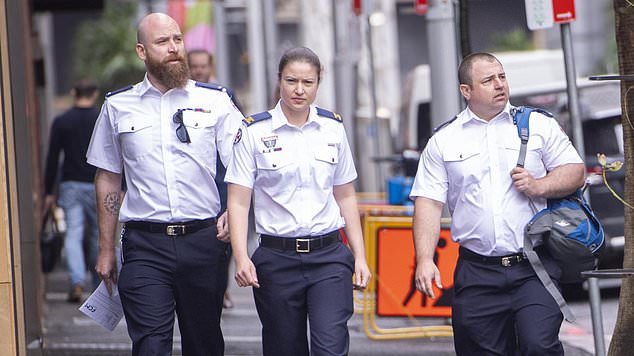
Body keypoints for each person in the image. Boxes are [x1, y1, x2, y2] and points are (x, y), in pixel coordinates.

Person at [87, 13, 242, 356]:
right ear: (142, 51)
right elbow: (109, 176)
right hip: (145, 245)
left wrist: (234, 210)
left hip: (203, 242)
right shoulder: (118, 106)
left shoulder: (215, 101)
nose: (174, 49)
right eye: (163, 42)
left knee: (204, 344)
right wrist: (106, 248)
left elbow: (243, 166)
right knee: (150, 346)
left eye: (177, 40)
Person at [410, 52, 585, 355]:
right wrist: (425, 259)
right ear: (466, 91)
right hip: (477, 271)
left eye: (501, 77)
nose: (499, 85)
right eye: (488, 80)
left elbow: (575, 170)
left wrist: (539, 185)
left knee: (538, 345)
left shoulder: (538, 125)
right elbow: (428, 202)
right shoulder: (444, 140)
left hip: (534, 266)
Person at [225, 46, 371, 356]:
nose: (299, 90)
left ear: (319, 82)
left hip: (329, 256)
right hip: (277, 259)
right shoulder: (253, 131)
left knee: (330, 347)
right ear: (279, 81)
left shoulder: (333, 128)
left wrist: (359, 256)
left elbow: (345, 194)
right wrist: (241, 256)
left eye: (308, 82)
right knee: (284, 348)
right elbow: (238, 201)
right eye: (292, 81)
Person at [43, 79, 100, 302]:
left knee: (74, 234)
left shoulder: (62, 121)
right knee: (98, 235)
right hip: (98, 184)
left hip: (70, 184)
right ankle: (99, 284)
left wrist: (49, 191)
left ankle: (76, 280)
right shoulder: (100, 119)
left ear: (73, 92)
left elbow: (52, 158)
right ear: (94, 94)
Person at [187, 48, 235, 309]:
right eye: (194, 66)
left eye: (203, 66)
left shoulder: (223, 97)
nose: (198, 71)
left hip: (223, 181)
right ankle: (212, 288)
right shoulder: (179, 98)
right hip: (199, 183)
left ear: (210, 66)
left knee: (225, 237)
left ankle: (222, 287)